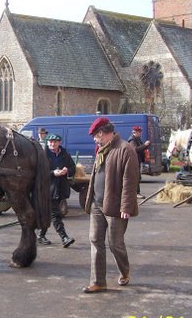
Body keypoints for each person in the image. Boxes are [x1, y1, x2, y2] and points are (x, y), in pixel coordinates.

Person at [83, 117, 139, 294]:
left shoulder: (125, 149)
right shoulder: (101, 149)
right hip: (97, 204)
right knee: (95, 240)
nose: (94, 139)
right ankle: (98, 282)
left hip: (115, 206)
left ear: (101, 133)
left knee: (115, 243)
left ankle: (124, 270)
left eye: (95, 136)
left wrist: (126, 207)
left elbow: (130, 180)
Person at [36, 133, 75, 247]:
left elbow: (73, 167)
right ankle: (64, 237)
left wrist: (66, 170)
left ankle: (40, 235)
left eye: (55, 142)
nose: (52, 144)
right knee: (55, 214)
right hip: (47, 188)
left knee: (50, 214)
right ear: (47, 143)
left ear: (59, 143)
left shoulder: (64, 154)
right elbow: (39, 172)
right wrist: (53, 173)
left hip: (60, 188)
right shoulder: (43, 155)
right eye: (50, 142)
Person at [128, 125, 150, 198]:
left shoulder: (138, 139)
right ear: (135, 132)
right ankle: (136, 193)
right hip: (134, 161)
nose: (140, 133)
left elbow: (141, 148)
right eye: (139, 132)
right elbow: (135, 149)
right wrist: (144, 145)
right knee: (136, 177)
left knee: (138, 177)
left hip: (138, 160)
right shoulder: (132, 140)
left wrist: (147, 145)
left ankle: (136, 192)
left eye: (140, 132)